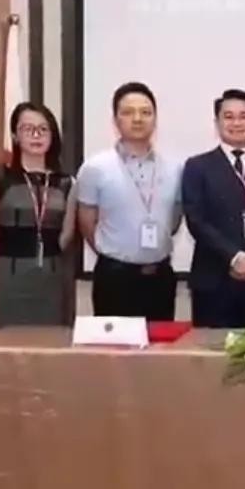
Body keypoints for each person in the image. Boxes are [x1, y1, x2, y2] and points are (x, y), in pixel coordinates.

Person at [76, 82, 182, 321]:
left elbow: (174, 220)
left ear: (155, 119)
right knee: (114, 345)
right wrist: (115, 253)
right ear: (115, 120)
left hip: (160, 277)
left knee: (160, 343)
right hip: (115, 278)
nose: (137, 119)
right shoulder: (96, 167)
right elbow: (87, 223)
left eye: (146, 112)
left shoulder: (175, 168)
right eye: (128, 112)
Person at [181, 88, 245, 329]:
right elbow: (196, 220)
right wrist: (234, 256)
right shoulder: (197, 167)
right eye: (228, 117)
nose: (236, 123)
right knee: (209, 350)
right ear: (217, 122)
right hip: (213, 279)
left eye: (244, 116)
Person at [0, 102, 77, 328]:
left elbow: (67, 234)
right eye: (28, 129)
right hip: (9, 276)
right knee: (6, 341)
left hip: (51, 276)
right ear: (15, 135)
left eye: (43, 129)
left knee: (51, 340)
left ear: (52, 136)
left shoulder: (66, 182)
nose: (36, 135)